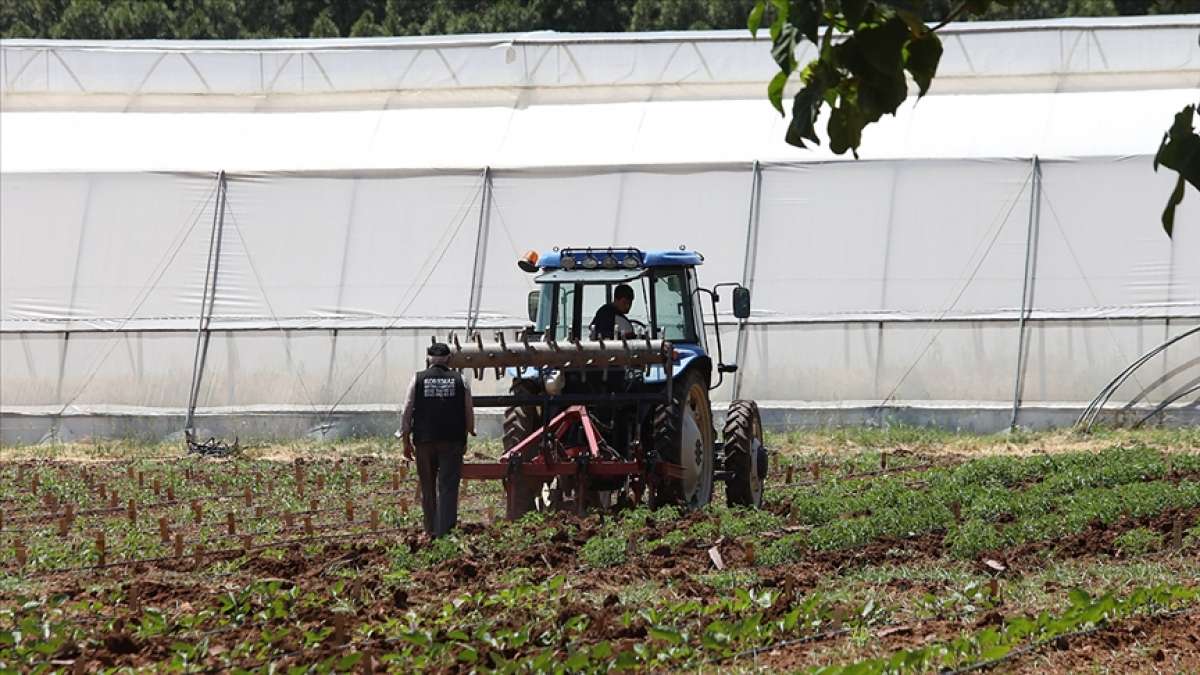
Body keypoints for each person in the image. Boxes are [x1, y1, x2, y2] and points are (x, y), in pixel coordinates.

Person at [398, 342, 474, 539]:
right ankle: (445, 531)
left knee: (427, 485)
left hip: (424, 441)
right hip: (452, 441)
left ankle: (430, 529)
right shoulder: (460, 380)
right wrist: (469, 432)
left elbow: (407, 409)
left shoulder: (418, 378)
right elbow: (468, 411)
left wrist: (405, 439)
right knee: (448, 486)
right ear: (449, 359)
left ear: (428, 358)